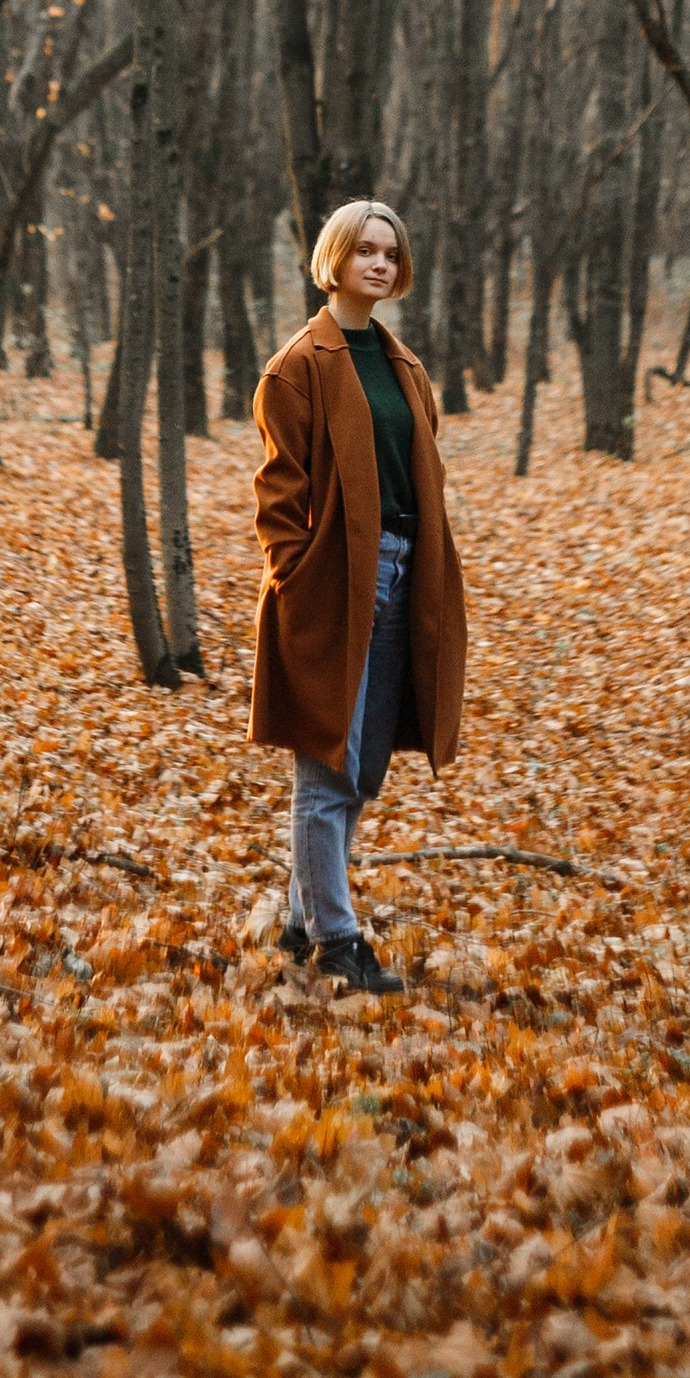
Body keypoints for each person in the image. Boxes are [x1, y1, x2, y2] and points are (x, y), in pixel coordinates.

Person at [247, 199, 467, 995]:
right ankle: (337, 941)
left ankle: (303, 921)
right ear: (333, 259)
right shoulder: (298, 365)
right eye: (364, 250)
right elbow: (278, 498)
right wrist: (300, 578)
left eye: (389, 252)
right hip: (336, 581)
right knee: (326, 763)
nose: (378, 263)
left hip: (409, 574)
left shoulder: (405, 366)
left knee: (365, 763)